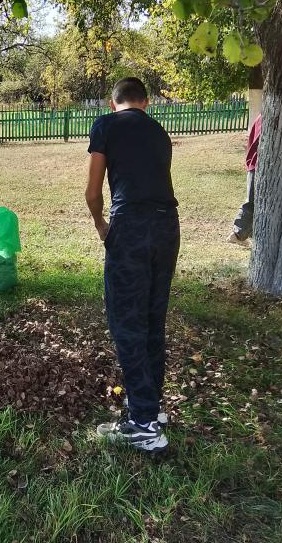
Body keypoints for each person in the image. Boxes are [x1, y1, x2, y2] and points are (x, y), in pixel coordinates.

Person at [85, 77, 180, 454]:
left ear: (114, 103)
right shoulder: (160, 132)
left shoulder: (106, 125)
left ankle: (143, 426)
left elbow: (93, 191)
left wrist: (102, 227)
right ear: (146, 102)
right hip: (168, 227)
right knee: (153, 320)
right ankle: (151, 408)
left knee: (126, 323)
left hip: (131, 227)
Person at [227, 113, 261, 247]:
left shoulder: (260, 116)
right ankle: (237, 234)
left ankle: (249, 234)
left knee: (255, 202)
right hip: (257, 165)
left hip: (254, 164)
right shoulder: (267, 116)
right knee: (251, 202)